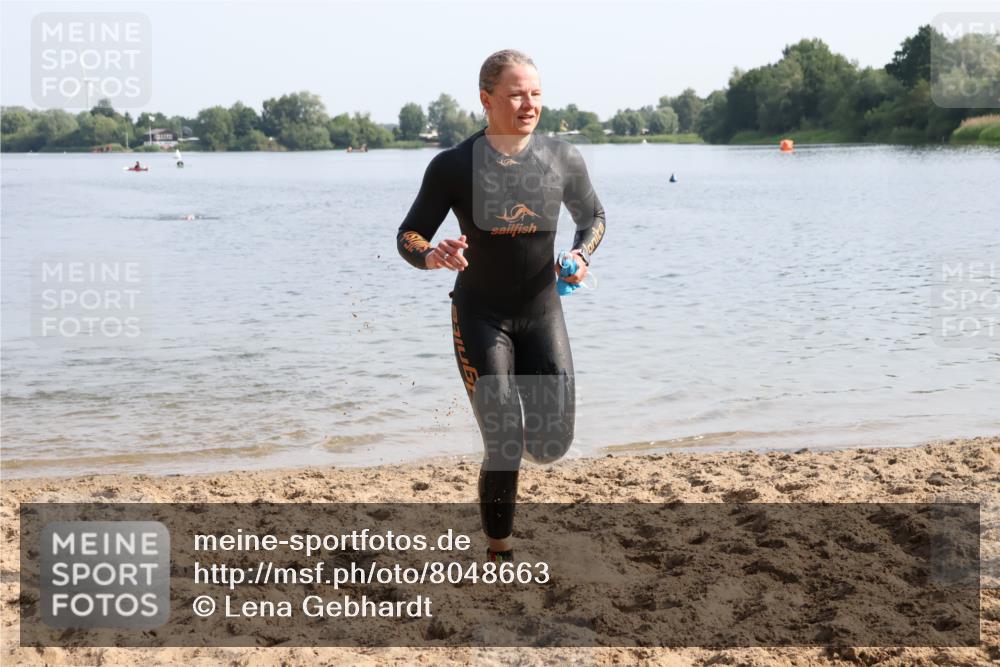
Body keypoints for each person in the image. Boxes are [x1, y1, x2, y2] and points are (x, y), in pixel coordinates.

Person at [396, 50, 606, 563]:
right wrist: (432, 254)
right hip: (480, 315)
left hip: (542, 313)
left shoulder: (562, 159)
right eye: (516, 93)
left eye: (535, 92)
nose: (528, 103)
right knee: (505, 436)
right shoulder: (454, 165)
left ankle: (516, 451)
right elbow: (409, 235)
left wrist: (580, 253)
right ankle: (500, 550)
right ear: (487, 100)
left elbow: (594, 216)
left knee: (551, 445)